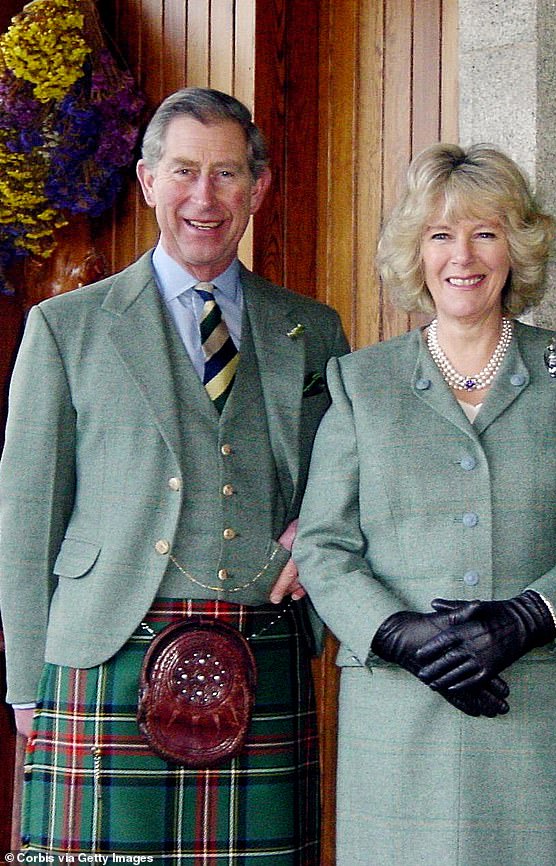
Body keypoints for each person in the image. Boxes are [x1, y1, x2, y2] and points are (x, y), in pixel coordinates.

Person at [0, 87, 349, 863]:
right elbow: (27, 516)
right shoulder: (66, 326)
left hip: (264, 649)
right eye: (184, 171)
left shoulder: (313, 329)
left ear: (258, 189)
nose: (205, 197)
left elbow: (346, 477)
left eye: (227, 175)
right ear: (148, 178)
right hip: (105, 649)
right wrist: (26, 681)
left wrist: (320, 521)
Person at [293, 143, 556, 866]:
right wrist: (396, 634)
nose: (464, 255)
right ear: (415, 254)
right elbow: (324, 546)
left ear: (518, 246)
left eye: (487, 231)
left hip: (539, 716)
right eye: (441, 234)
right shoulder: (361, 382)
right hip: (400, 718)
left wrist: (530, 616)